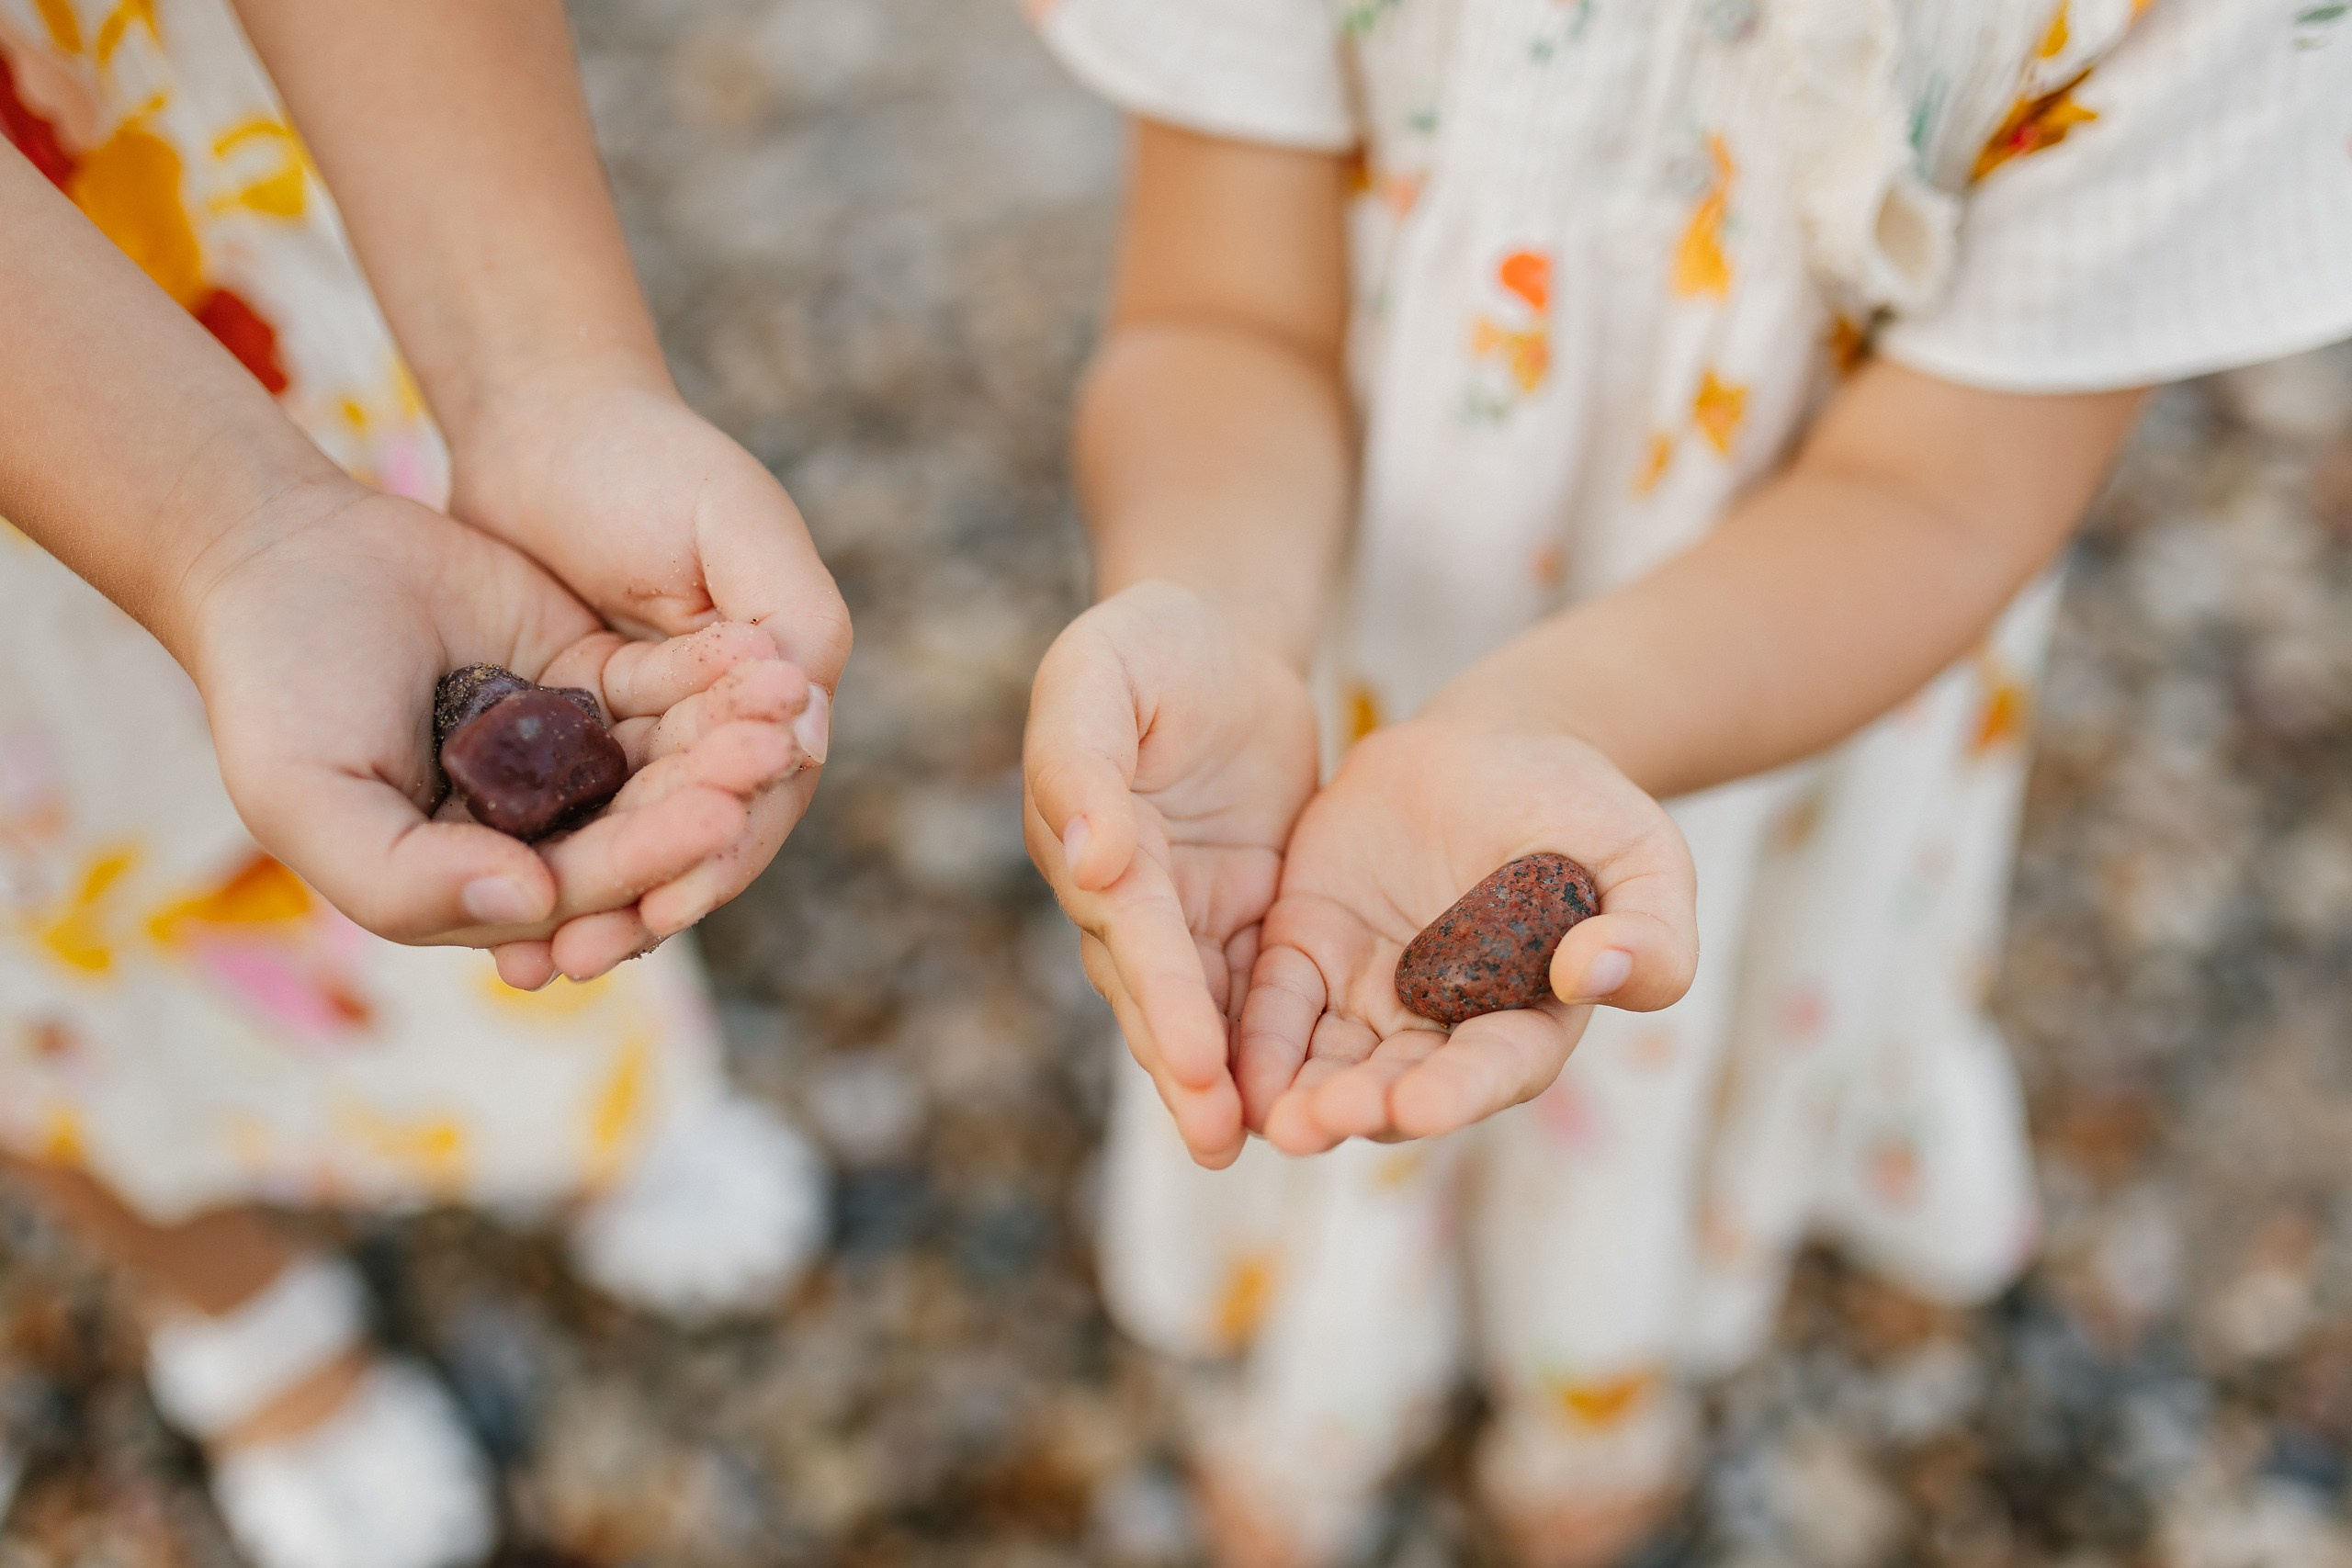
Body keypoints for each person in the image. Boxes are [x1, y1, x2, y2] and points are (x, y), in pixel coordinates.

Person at [1020, 0, 2352, 1563]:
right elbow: (1223, 312)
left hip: (1769, 685)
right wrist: (1220, 609)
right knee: (1294, 1013)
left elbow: (1939, 492)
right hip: (1338, 639)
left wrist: (1554, 713)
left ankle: (1596, 1379)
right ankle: (1330, 1382)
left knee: (1642, 1035)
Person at [0, 3, 851, 1565]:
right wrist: (221, 534)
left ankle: (588, 1121)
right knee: (30, 959)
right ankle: (235, 1310)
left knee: (475, 647)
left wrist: (549, 381)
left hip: (189, 218)